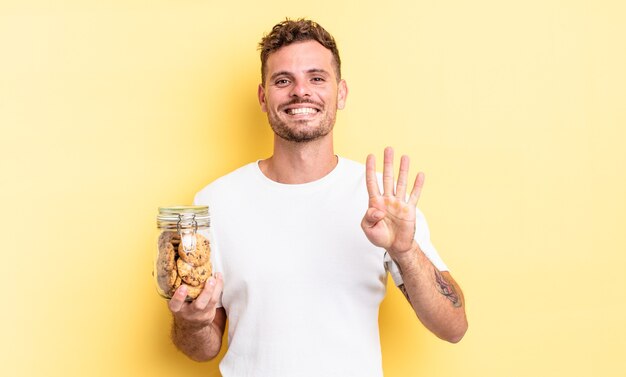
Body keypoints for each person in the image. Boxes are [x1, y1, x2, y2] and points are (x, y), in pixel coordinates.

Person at [167, 18, 468, 376]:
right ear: (263, 98)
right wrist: (193, 322)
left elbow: (453, 326)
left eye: (316, 78)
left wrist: (405, 250)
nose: (300, 92)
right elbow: (203, 349)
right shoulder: (215, 202)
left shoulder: (381, 200)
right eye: (283, 81)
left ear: (340, 93)